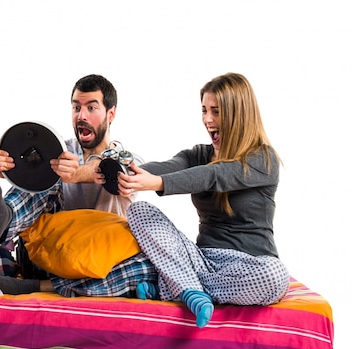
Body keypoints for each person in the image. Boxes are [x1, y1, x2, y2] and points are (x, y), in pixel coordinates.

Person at [105, 72, 289, 328]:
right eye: (204, 110)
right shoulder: (198, 154)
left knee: (276, 277)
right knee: (140, 211)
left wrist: (157, 184)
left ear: (239, 114)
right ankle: (190, 290)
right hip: (201, 258)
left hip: (252, 264)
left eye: (216, 111)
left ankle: (180, 288)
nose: (207, 119)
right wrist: (124, 171)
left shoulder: (263, 159)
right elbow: (166, 167)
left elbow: (214, 176)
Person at [0, 74, 157, 296]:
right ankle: (4, 220)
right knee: (45, 170)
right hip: (48, 257)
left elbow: (120, 170)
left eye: (91, 108)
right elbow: (28, 167)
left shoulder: (130, 159)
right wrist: (4, 168)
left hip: (97, 266)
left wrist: (78, 173)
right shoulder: (59, 149)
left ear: (111, 114)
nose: (82, 116)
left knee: (150, 265)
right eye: (76, 108)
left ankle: (36, 288)